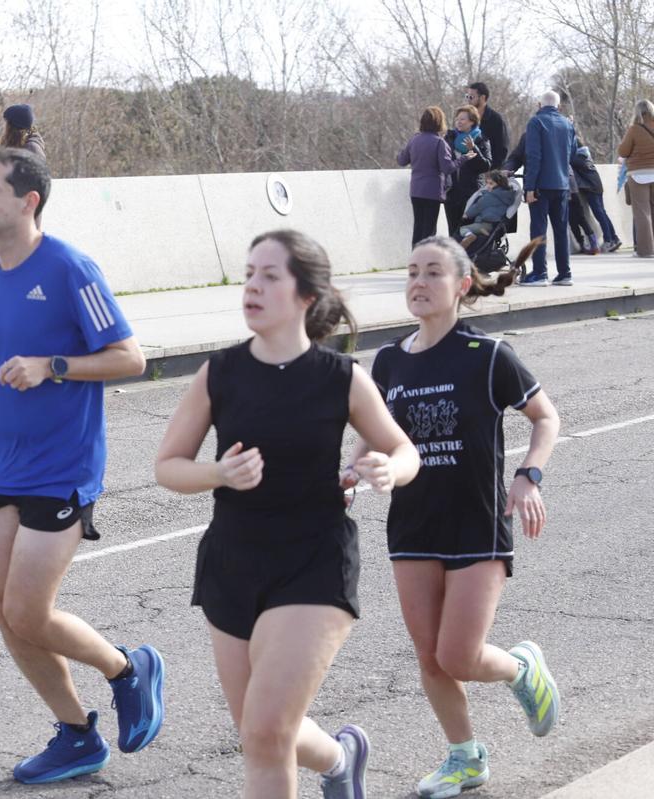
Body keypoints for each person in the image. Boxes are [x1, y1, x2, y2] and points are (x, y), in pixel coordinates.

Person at [0, 147, 163, 785]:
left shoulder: (69, 268)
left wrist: (52, 366)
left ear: (28, 202)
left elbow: (130, 358)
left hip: (64, 464)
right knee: (7, 611)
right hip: (1, 461)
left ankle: (126, 669)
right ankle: (78, 734)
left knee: (29, 611)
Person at [154, 229, 420, 799]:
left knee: (269, 731)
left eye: (269, 276)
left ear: (305, 295)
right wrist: (218, 475)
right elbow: (169, 466)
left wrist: (387, 471)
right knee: (259, 733)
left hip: (312, 562)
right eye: (249, 273)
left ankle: (336, 761)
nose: (251, 286)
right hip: (233, 561)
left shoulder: (341, 377)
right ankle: (341, 759)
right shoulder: (219, 373)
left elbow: (404, 451)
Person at [346, 235, 562, 799]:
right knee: (430, 658)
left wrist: (528, 474)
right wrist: (352, 474)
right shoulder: (388, 362)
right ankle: (465, 757)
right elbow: (375, 435)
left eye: (433, 272)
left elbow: (545, 418)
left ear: (462, 285)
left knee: (459, 655)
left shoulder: (488, 356)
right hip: (412, 526)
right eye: (412, 270)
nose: (418, 282)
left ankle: (521, 669)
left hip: (477, 523)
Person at [520, 91, 576, 286]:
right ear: (559, 106)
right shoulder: (568, 124)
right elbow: (573, 153)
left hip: (541, 185)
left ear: (539, 104)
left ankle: (539, 273)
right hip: (562, 184)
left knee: (538, 229)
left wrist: (529, 187)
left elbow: (534, 156)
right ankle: (564, 273)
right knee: (561, 230)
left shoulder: (536, 122)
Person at [399, 107, 472, 247]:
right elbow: (448, 168)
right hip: (432, 192)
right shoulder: (439, 143)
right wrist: (463, 159)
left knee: (418, 227)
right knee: (429, 229)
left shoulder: (415, 139)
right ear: (439, 122)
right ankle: (426, 262)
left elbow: (402, 160)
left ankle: (416, 261)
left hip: (416, 190)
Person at [443, 105, 492, 238]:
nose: (458, 122)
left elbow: (486, 166)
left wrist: (474, 149)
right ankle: (454, 258)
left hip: (471, 193)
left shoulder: (481, 139)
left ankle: (470, 257)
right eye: (457, 119)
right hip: (451, 193)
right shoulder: (449, 138)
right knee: (453, 232)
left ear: (472, 121)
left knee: (468, 232)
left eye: (463, 119)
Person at [617, 99, 654, 258]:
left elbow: (623, 152)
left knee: (642, 213)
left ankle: (645, 251)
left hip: (639, 174)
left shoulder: (634, 129)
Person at [570, 144, 621, 253]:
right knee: (602, 213)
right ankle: (614, 238)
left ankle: (608, 240)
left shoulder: (576, 158)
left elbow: (565, 160)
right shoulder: (584, 156)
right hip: (596, 186)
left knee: (600, 214)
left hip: (591, 188)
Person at [458, 170, 514, 247]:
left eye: (491, 183)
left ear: (499, 184)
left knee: (463, 229)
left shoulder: (490, 196)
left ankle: (469, 236)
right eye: (487, 183)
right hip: (496, 225)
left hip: (484, 224)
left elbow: (478, 207)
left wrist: (466, 215)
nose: (487, 186)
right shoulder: (506, 195)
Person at [464, 82, 509, 169]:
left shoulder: (496, 120)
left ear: (483, 98)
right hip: (468, 172)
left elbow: (502, 150)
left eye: (471, 97)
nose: (468, 100)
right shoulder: (465, 117)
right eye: (467, 96)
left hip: (488, 173)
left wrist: (491, 171)